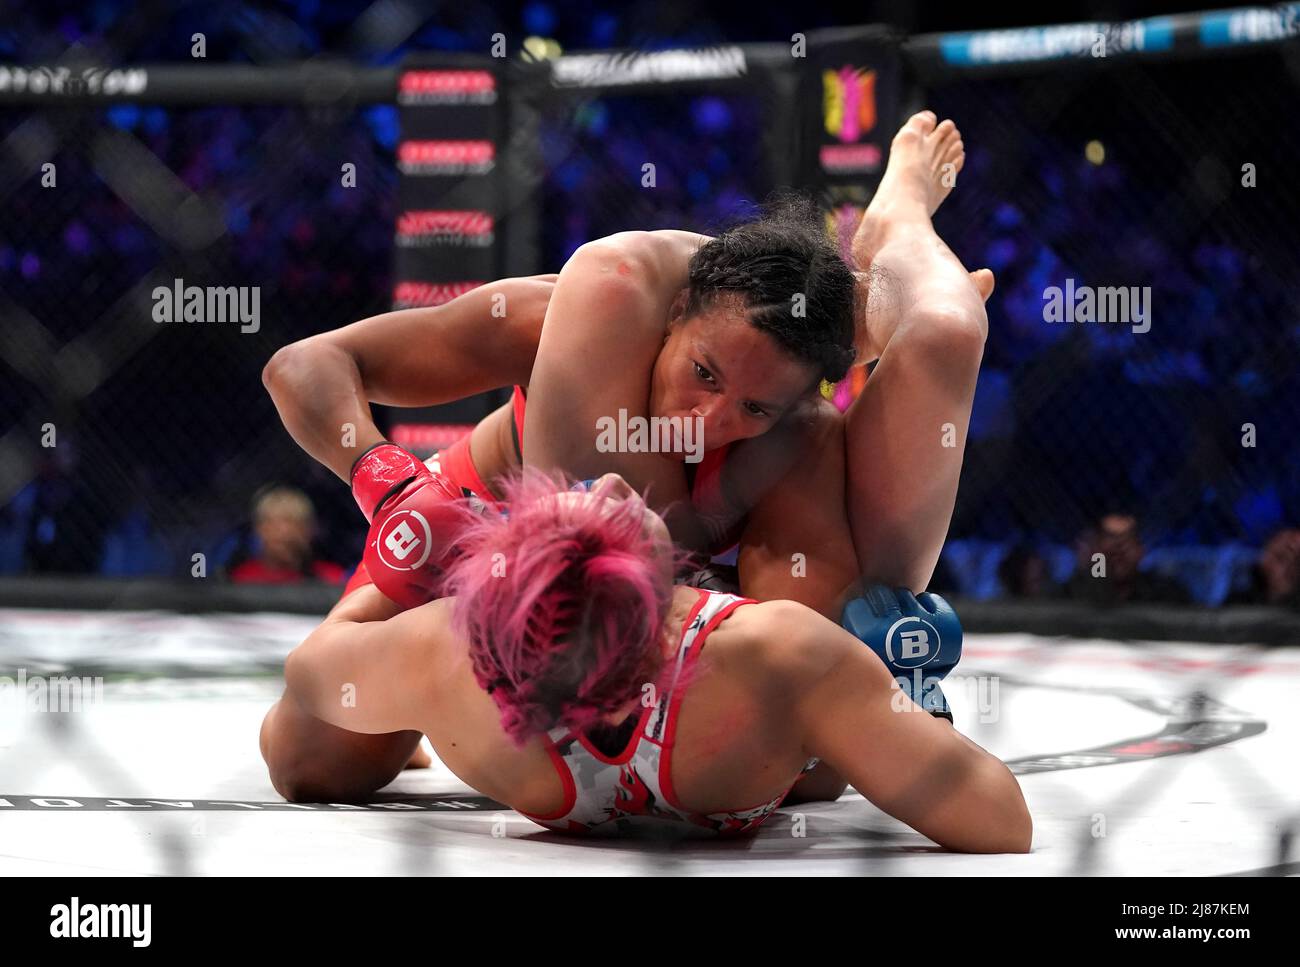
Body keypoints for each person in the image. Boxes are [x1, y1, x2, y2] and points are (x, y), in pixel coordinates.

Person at [262, 110, 993, 622]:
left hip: (657, 613)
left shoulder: (793, 424)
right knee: (323, 759)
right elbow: (308, 362)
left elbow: (800, 639)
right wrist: (385, 479)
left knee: (942, 330)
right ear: (674, 315)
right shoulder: (551, 322)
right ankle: (890, 249)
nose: (710, 421)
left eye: (754, 405)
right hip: (479, 543)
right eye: (703, 374)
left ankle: (900, 227)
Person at [259, 471, 1031, 851]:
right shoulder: (779, 651)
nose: (622, 480)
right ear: (660, 596)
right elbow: (1002, 820)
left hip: (540, 764)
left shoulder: (443, 653)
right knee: (816, 446)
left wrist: (389, 569)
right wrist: (909, 706)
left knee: (302, 759)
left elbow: (309, 673)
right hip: (767, 742)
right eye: (615, 509)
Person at [1063, 511, 1190, 606]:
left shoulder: (1166, 595)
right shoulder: (1070, 593)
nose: (1119, 549)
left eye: (1127, 540)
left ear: (1140, 551)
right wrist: (1098, 570)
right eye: (1110, 538)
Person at [228, 486, 345, 585]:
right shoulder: (242, 578)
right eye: (273, 523)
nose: (284, 532)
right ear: (259, 529)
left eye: (294, 523)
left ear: (309, 530)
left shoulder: (331, 578)